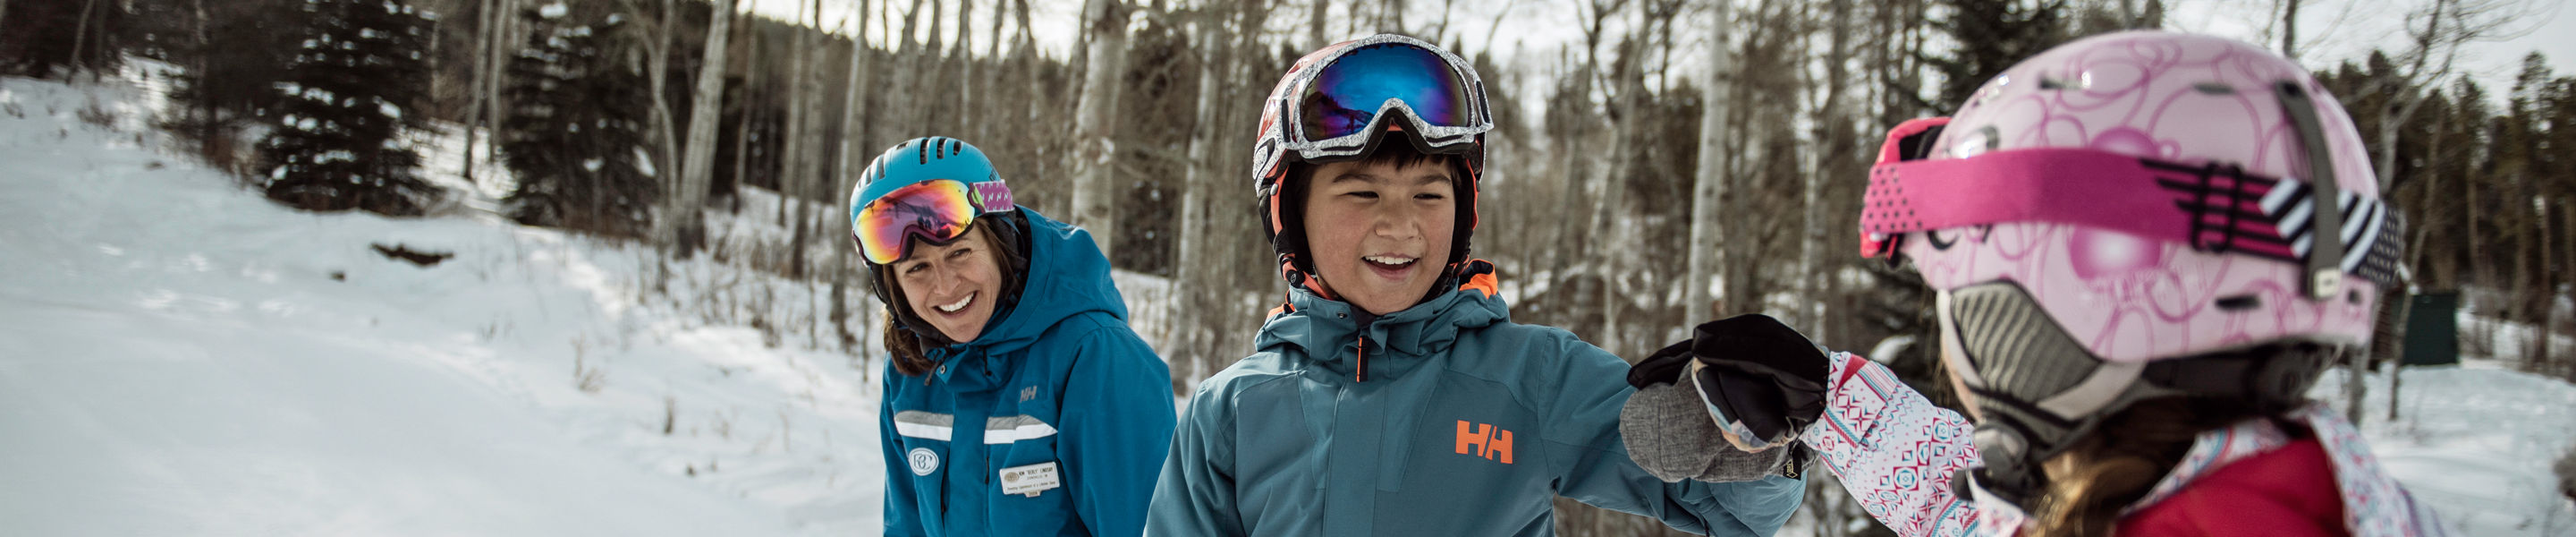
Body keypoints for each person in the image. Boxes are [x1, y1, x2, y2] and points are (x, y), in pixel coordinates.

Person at [1624, 30, 2451, 537]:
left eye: (1959, 277)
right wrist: (1829, 400)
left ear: (2041, 308)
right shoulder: (2269, 487)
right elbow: (1974, 514)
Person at [1144, 34, 1808, 536]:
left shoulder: (1533, 378)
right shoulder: (1230, 410)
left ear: (1463, 216)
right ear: (1290, 217)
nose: (1400, 225)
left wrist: (1748, 436)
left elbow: (1729, 510)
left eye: (1429, 195)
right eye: (1362, 193)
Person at [848, 136, 1176, 537]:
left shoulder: (1097, 359)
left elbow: (1144, 528)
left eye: (960, 253)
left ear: (1000, 242)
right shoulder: (911, 369)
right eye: (917, 269)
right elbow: (907, 527)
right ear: (893, 287)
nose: (946, 287)